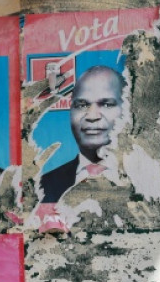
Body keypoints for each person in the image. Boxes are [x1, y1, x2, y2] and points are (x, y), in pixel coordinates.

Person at [38, 65, 125, 204]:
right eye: (82, 105)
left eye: (107, 104)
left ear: (126, 110)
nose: (92, 116)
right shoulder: (42, 188)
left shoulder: (150, 181)